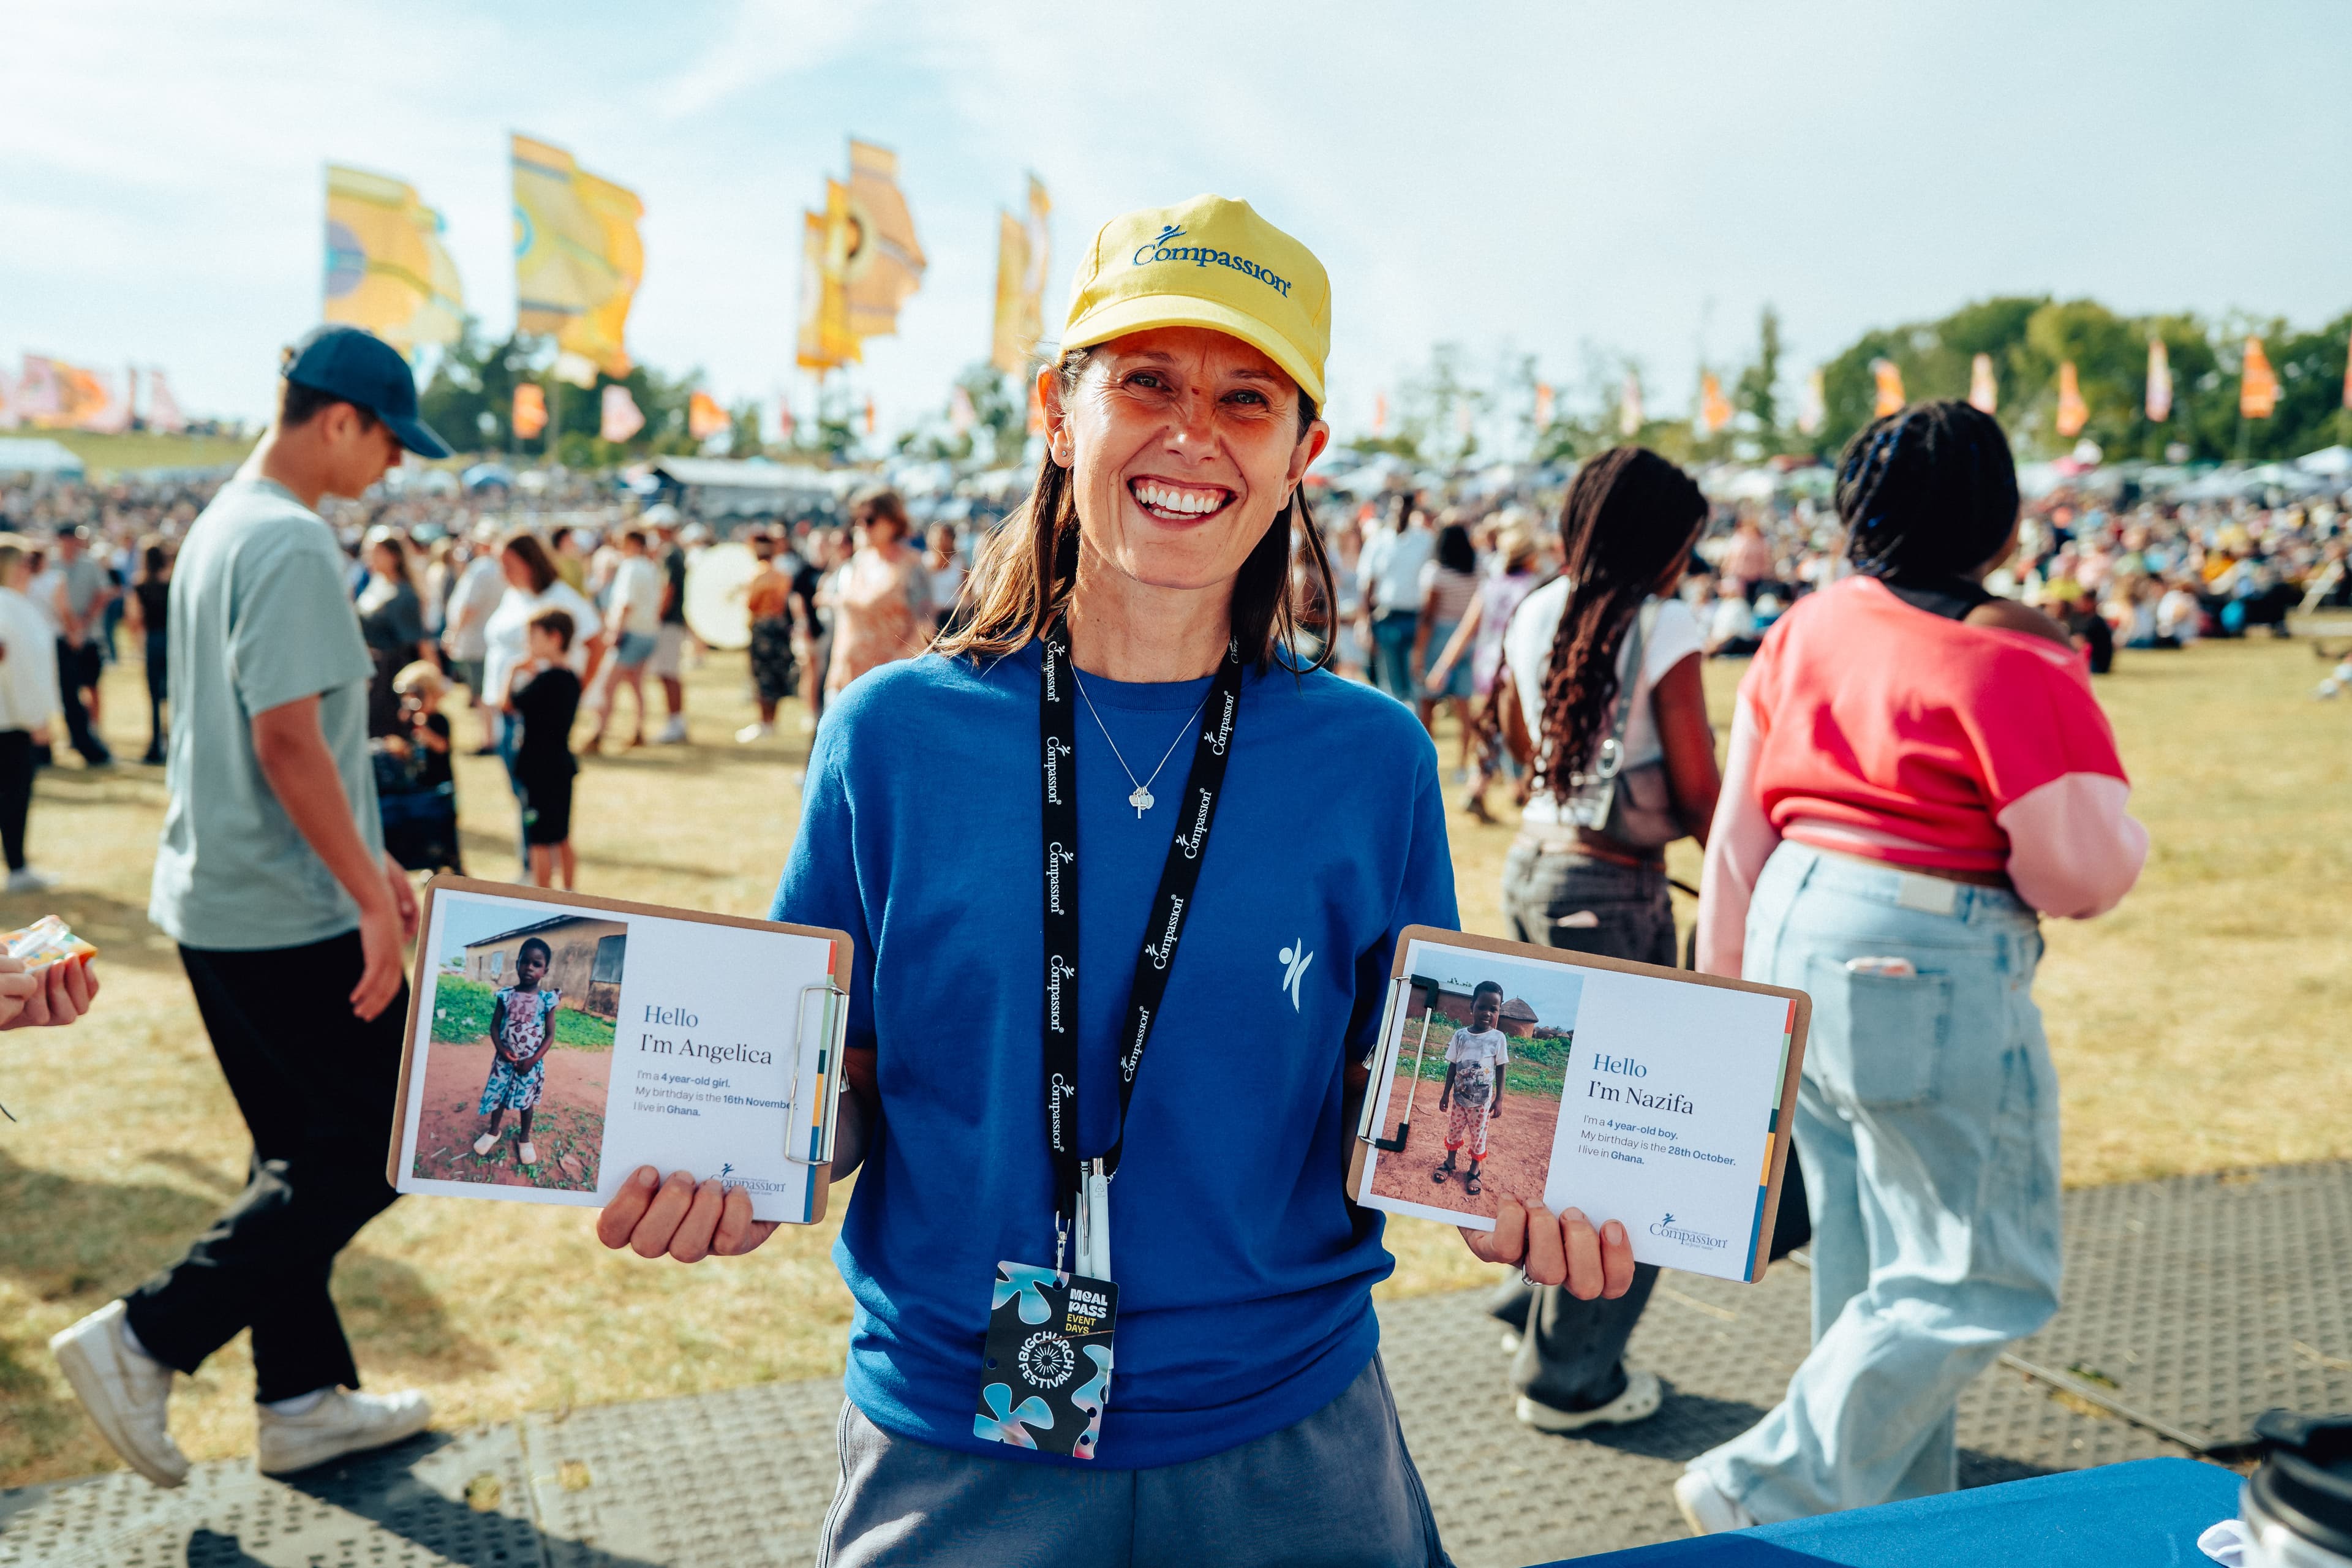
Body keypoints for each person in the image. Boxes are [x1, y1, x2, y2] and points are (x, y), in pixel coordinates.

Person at [592, 195, 1633, 1567]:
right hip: (955, 1438)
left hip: (1290, 1432)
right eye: (1146, 379)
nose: (1192, 432)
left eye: (1246, 399)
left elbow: (1413, 1093)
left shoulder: (1369, 756)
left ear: (1302, 451)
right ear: (1056, 409)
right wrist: (727, 1166)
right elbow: (832, 1089)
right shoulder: (891, 736)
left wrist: (1530, 1200)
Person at [1679, 401, 2147, 1532]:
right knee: (1979, 1272)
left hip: (1794, 918)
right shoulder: (2013, 650)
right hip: (1922, 951)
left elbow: (1739, 831)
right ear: (1998, 517)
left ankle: (1876, 1536)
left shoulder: (1809, 625)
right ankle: (1768, 1482)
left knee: (1872, 1276)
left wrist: (1726, 1001)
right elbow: (2079, 871)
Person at [49, 325, 446, 1488]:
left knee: (295, 1155)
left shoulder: (225, 523)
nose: (396, 466)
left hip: (219, 895)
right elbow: (289, 742)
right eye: (389, 441)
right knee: (387, 1140)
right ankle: (146, 1337)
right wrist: (371, 891)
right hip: (286, 908)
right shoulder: (288, 541)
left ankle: (302, 1395)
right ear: (340, 421)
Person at [1483, 445, 1722, 1439]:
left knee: (1549, 1122)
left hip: (1535, 870)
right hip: (1613, 892)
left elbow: (1514, 730)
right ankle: (1568, 1376)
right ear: (1665, 542)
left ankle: (1526, 1303)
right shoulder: (1665, 624)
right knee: (1633, 1150)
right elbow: (1702, 782)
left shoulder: (1541, 606)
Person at [483, 532, 599, 871]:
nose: (503, 572)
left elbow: (596, 641)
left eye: (509, 564)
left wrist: (574, 689)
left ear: (530, 561)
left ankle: (535, 872)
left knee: (538, 803)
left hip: (534, 714)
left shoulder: (561, 598)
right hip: (513, 712)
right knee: (523, 795)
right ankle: (531, 866)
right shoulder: (515, 596)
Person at [1426, 520, 1542, 821]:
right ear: (1529, 556)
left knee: (1489, 731)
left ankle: (1481, 788)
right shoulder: (1533, 589)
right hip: (1516, 670)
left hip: (1486, 669)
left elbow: (1466, 631)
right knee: (1523, 731)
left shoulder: (1491, 587)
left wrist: (1442, 666)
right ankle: (1521, 789)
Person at [821, 488, 933, 703]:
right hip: (842, 681)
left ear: (893, 521)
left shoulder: (912, 567)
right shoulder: (856, 562)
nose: (861, 526)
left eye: (870, 520)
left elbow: (924, 630)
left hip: (885, 688)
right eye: (858, 519)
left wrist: (885, 676)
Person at [500, 607, 582, 891]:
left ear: (555, 638)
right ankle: (570, 892)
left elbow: (507, 705)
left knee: (537, 839)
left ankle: (543, 896)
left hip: (538, 769)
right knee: (561, 834)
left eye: (533, 637)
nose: (529, 644)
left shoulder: (545, 681)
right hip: (561, 765)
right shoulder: (571, 679)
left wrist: (513, 672)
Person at [0, 534, 62, 891]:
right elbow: (17, 668)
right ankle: (17, 866)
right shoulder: (8, 606)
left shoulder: (17, 604)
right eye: (26, 562)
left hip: (15, 716)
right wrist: (35, 716)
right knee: (14, 792)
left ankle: (18, 864)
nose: (32, 569)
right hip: (11, 719)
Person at [470, 936, 558, 1168]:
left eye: (536, 964)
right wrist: (502, 1051)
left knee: (526, 1103)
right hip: (504, 1061)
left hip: (530, 1064)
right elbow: (494, 1027)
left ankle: (525, 1139)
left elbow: (549, 1035)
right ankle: (493, 1131)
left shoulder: (547, 1000)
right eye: (525, 961)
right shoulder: (506, 995)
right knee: (499, 1097)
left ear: (545, 970)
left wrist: (533, 1060)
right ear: (517, 963)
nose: (529, 967)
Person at [589, 527, 662, 752]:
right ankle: (638, 731)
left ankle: (598, 735)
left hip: (630, 634)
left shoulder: (630, 568)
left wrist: (614, 632)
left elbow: (625, 604)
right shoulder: (651, 568)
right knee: (637, 686)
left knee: (607, 686)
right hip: (648, 632)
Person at [1431, 981, 1507, 1194]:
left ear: (1499, 1012)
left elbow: (1501, 1069)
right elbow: (1453, 1065)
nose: (1487, 1013)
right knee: (1454, 1130)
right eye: (1482, 1007)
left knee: (1479, 1134)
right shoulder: (1460, 1036)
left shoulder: (1498, 1038)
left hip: (1482, 1103)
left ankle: (1474, 1171)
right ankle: (1450, 1162)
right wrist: (1446, 1093)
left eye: (1494, 1009)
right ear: (1472, 1006)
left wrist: (1499, 1098)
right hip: (1459, 1099)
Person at [355, 527, 431, 737]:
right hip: (371, 669)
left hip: (390, 675)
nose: (370, 558)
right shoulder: (374, 585)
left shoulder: (404, 594)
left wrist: (434, 679)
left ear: (394, 556)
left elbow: (419, 642)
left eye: (376, 553)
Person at [1359, 497, 1433, 704]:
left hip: (1415, 617)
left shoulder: (1425, 540)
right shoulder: (1378, 541)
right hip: (1387, 617)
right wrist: (1364, 621)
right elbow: (1368, 583)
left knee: (1414, 678)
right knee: (1389, 681)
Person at [48, 526, 113, 766]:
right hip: (62, 636)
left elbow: (103, 593)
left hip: (88, 635)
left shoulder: (90, 564)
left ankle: (93, 731)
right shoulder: (51, 564)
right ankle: (76, 736)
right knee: (67, 691)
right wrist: (69, 626)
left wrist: (84, 622)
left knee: (92, 685)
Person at [441, 532, 506, 754]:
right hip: (484, 640)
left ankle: (489, 739)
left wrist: (453, 634)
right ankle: (492, 737)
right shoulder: (490, 568)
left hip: (477, 642)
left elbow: (469, 606)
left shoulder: (483, 569)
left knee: (483, 695)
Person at [739, 535, 801, 744]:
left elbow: (751, 604)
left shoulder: (756, 575)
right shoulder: (783, 575)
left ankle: (764, 722)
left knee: (762, 674)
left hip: (763, 627)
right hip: (780, 626)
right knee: (776, 672)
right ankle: (772, 722)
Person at [123, 540, 172, 764]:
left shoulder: (139, 584)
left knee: (154, 696)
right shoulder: (173, 582)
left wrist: (138, 644)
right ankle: (173, 742)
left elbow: (133, 618)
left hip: (153, 641)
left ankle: (156, 746)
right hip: (172, 642)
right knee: (173, 695)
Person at [647, 520, 691, 744]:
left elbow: (668, 589)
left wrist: (657, 616)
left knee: (668, 672)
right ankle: (675, 722)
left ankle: (676, 723)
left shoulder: (671, 554)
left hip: (669, 621)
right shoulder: (676, 553)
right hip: (673, 620)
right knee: (667, 672)